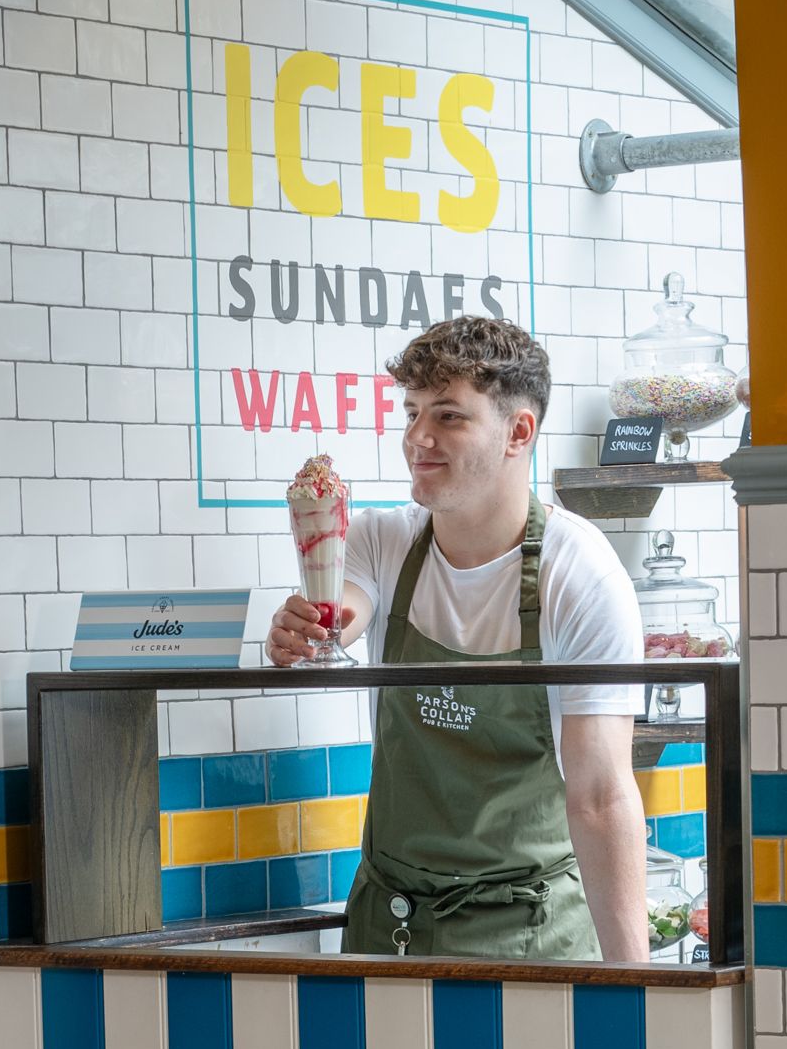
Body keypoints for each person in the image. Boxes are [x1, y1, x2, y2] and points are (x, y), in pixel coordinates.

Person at [267, 316, 650, 962]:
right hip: (389, 935)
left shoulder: (580, 575)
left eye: (448, 416)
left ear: (518, 432)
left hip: (530, 941)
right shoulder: (382, 541)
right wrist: (305, 632)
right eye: (412, 412)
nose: (417, 437)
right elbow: (342, 616)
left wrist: (637, 986)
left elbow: (599, 796)